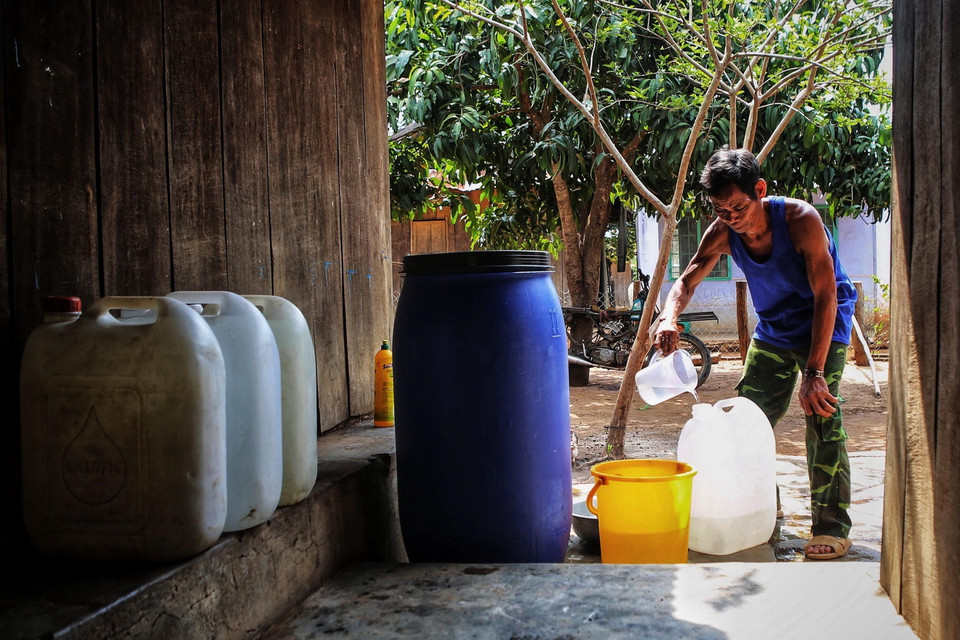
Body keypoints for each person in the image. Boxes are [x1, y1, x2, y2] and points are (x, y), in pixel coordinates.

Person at [655, 146, 856, 560]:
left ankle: (832, 527)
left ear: (759, 190)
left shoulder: (801, 221)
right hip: (774, 332)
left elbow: (826, 295)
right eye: (720, 210)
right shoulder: (723, 232)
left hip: (825, 324)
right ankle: (762, 508)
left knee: (821, 417)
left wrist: (814, 372)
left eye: (738, 207)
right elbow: (687, 281)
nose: (731, 218)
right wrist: (669, 318)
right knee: (745, 422)